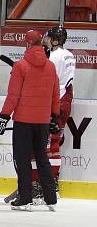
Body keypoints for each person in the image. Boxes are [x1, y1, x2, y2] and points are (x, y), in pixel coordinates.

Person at [0, 30, 60, 211]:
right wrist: (54, 116)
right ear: (41, 43)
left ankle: (25, 197)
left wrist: (2, 118)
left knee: (22, 159)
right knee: (42, 157)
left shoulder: (21, 66)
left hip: (23, 121)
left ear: (27, 44)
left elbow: (13, 97)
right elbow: (55, 94)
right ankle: (50, 196)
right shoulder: (51, 66)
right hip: (43, 121)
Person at [44, 26, 75, 189]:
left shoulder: (53, 57)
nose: (47, 40)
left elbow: (49, 80)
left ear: (55, 40)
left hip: (56, 100)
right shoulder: (70, 55)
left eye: (49, 38)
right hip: (67, 100)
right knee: (56, 141)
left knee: (48, 143)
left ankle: (47, 181)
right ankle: (54, 181)